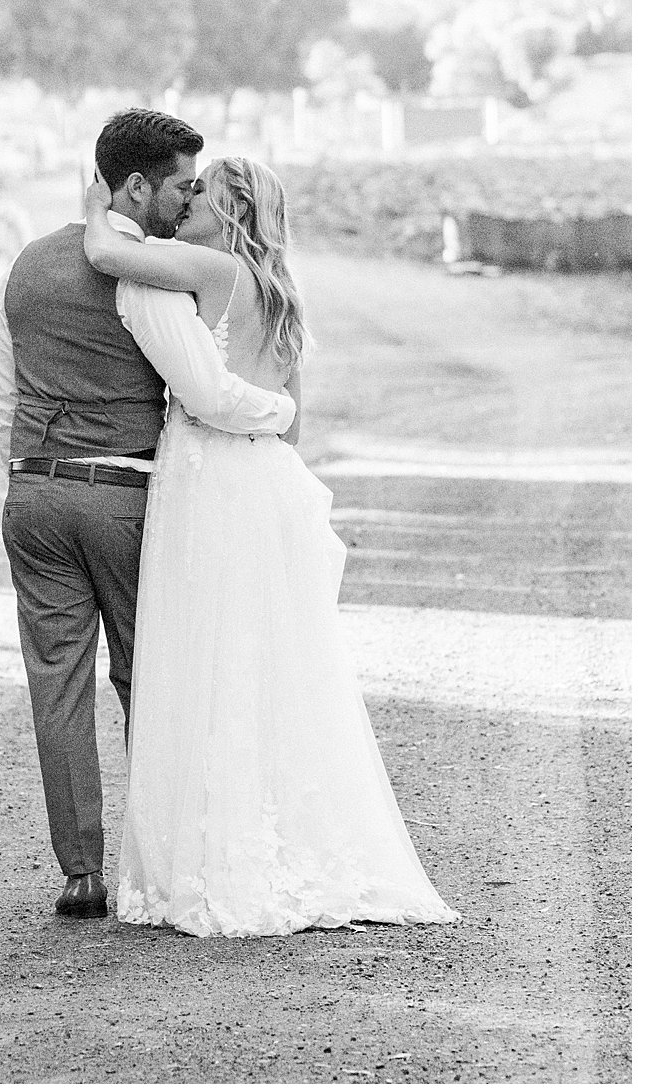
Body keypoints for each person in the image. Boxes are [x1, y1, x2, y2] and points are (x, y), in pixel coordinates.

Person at [81, 153, 459, 936]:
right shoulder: (283, 294)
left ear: (231, 209)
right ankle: (279, 840)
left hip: (209, 478)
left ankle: (222, 858)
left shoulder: (214, 270)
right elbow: (297, 419)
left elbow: (109, 255)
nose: (185, 201)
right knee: (265, 662)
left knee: (208, 657)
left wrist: (95, 203)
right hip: (267, 482)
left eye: (200, 192)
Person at [0, 108, 297, 920]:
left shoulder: (26, 264)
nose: (186, 199)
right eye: (179, 186)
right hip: (123, 495)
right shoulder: (155, 269)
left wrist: (27, 472)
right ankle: (159, 858)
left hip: (33, 492)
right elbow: (195, 382)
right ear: (134, 185)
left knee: (56, 684)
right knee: (147, 677)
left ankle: (80, 871)